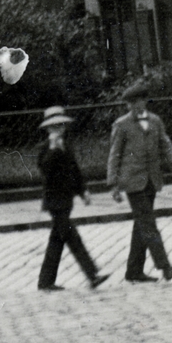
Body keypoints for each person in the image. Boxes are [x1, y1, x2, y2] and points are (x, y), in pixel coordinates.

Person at [107, 81, 172, 283]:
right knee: (148, 225)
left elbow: (167, 146)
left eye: (137, 102)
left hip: (152, 180)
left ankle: (133, 271)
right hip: (132, 182)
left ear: (144, 101)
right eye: (130, 103)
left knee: (141, 226)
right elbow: (114, 154)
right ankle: (165, 268)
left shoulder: (155, 121)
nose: (133, 106)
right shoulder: (121, 125)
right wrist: (113, 184)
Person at [36, 107, 110, 293]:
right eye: (54, 126)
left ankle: (45, 281)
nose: (58, 129)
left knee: (57, 240)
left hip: (66, 200)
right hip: (54, 202)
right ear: (47, 129)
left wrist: (83, 191)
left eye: (61, 125)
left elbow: (74, 171)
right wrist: (53, 149)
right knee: (72, 237)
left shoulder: (67, 145)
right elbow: (45, 170)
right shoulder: (45, 148)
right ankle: (92, 275)